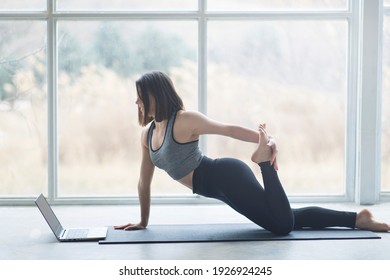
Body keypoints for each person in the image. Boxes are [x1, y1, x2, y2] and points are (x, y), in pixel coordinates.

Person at [115, 71, 390, 234]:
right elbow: (143, 182)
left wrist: (265, 140)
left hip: (225, 177)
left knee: (281, 227)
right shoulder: (147, 134)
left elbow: (228, 129)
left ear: (156, 95)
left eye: (141, 95)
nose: (136, 101)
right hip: (218, 187)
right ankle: (358, 219)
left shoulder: (184, 120)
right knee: (285, 217)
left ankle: (264, 164)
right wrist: (143, 221)